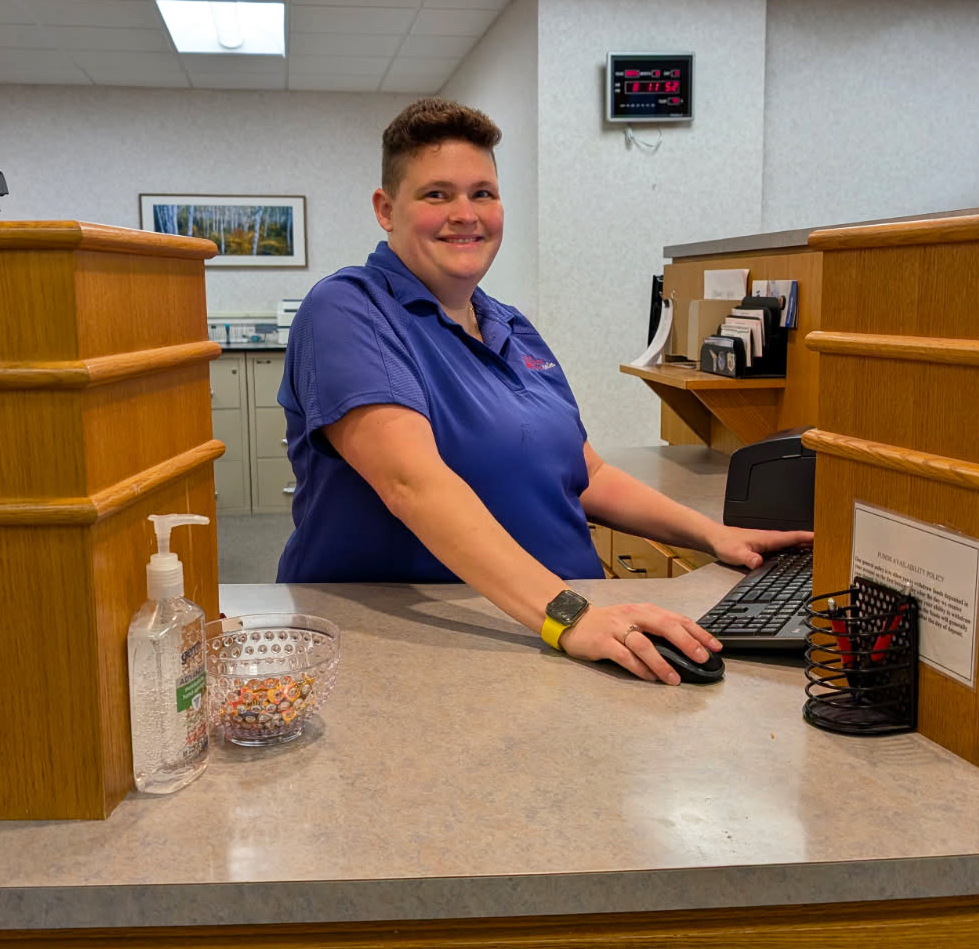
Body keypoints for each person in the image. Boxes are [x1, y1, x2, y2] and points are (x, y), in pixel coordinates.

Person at [276, 98, 811, 684]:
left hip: (563, 629)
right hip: (427, 645)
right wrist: (567, 616)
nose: (465, 213)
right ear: (386, 208)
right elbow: (412, 483)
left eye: (483, 193)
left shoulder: (510, 326)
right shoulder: (349, 310)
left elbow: (587, 475)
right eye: (437, 195)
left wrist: (713, 535)